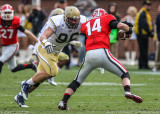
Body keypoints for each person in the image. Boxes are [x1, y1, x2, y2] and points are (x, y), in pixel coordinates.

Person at [58, 8, 143, 110]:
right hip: (102, 52)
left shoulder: (87, 24)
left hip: (89, 55)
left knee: (77, 81)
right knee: (124, 73)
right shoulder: (108, 18)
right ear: (104, 14)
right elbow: (121, 26)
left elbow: (76, 32)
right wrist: (129, 30)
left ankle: (63, 102)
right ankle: (128, 91)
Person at [14, 6, 88, 107]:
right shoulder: (57, 21)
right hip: (45, 48)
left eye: (76, 20)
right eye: (71, 20)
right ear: (65, 18)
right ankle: (26, 84)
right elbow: (43, 36)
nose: (74, 22)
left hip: (56, 51)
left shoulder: (83, 22)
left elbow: (71, 36)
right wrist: (47, 43)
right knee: (53, 71)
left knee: (40, 78)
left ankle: (19, 96)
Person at [0, 4, 38, 74]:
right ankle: (32, 66)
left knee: (0, 61)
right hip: (4, 46)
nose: (7, 15)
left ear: (12, 13)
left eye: (9, 12)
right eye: (5, 12)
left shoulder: (15, 21)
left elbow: (27, 33)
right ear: (1, 13)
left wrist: (38, 41)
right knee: (13, 68)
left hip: (13, 46)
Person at [134, 0, 154, 69]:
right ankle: (144, 65)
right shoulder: (143, 13)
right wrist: (150, 33)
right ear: (144, 5)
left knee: (143, 50)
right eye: (147, 5)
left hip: (142, 34)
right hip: (142, 34)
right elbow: (144, 24)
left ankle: (142, 65)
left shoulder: (144, 12)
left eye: (149, 5)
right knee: (143, 50)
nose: (149, 7)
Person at [152, 5, 160, 72]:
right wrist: (156, 36)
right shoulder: (158, 16)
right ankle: (156, 66)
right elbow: (156, 28)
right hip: (159, 38)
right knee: (157, 53)